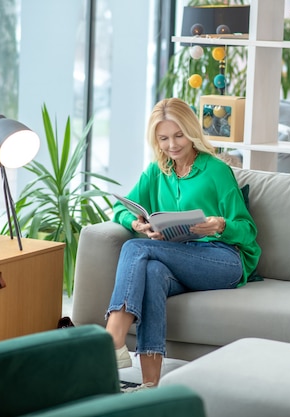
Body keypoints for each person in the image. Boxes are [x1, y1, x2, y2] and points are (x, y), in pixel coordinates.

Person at [104, 97, 261, 389]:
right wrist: (136, 223)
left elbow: (247, 231)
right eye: (163, 138)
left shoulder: (215, 170)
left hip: (223, 260)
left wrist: (220, 224)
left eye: (178, 135)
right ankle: (150, 385)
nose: (172, 145)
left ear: (191, 131)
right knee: (152, 273)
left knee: (135, 248)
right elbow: (120, 210)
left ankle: (112, 339)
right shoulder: (156, 171)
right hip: (179, 258)